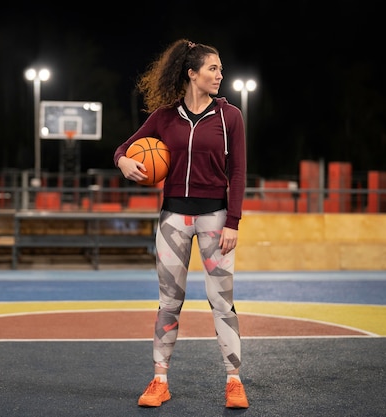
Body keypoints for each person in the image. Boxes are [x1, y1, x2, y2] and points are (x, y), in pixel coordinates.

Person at [113, 39, 249, 409]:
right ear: (192, 73)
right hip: (173, 217)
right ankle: (159, 380)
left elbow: (238, 173)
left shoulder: (230, 116)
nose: (220, 75)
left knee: (222, 302)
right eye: (213, 68)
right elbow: (123, 149)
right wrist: (124, 162)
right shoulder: (164, 117)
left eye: (220, 69)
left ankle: (234, 381)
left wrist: (233, 221)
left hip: (216, 218)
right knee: (168, 302)